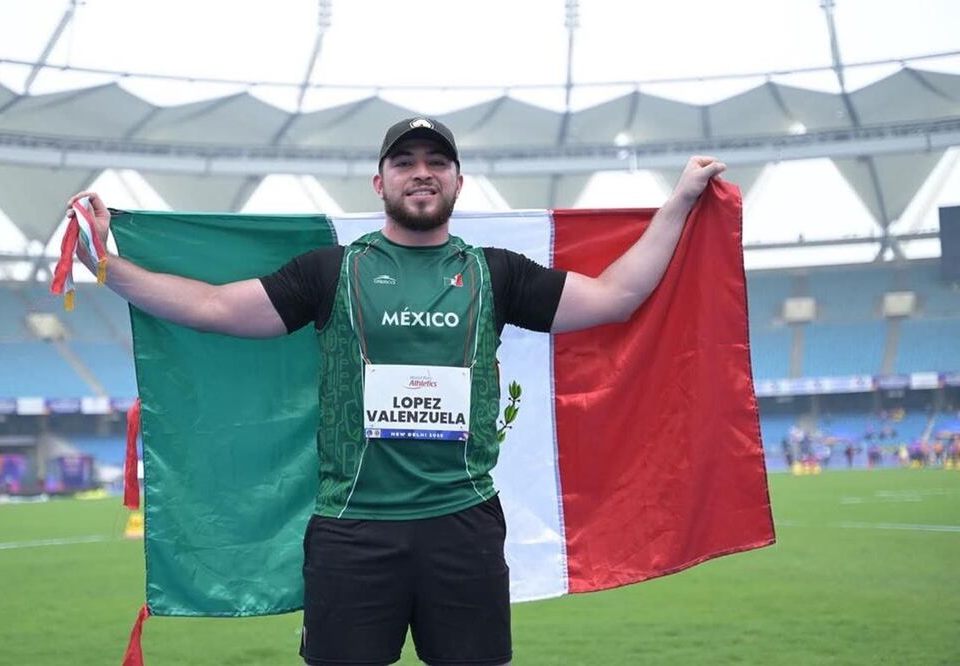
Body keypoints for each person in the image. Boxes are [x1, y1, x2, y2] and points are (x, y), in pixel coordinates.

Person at [66, 117, 725, 666]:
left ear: (458, 181)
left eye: (437, 162)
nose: (421, 173)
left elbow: (615, 296)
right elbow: (214, 308)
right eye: (404, 162)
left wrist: (680, 202)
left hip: (463, 526)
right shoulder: (329, 271)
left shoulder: (495, 273)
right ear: (380, 182)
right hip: (352, 532)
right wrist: (104, 264)